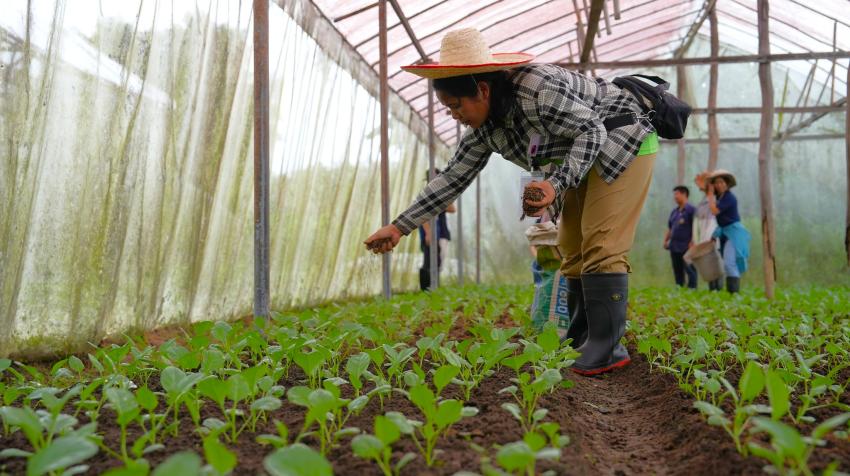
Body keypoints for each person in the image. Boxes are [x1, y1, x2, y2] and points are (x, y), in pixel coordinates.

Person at [363, 28, 658, 375]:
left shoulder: (537, 91)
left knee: (601, 241)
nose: (454, 115)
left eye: (456, 105)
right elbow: (452, 177)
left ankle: (608, 347)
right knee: (571, 245)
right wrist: (400, 226)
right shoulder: (484, 128)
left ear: (483, 90)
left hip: (623, 136)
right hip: (582, 153)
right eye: (447, 108)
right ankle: (583, 335)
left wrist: (556, 183)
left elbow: (592, 130)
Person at [706, 169, 751, 293]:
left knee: (729, 263)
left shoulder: (729, 198)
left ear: (726, 184)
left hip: (734, 233)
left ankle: (734, 294)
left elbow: (714, 211)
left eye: (721, 182)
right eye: (716, 183)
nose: (719, 185)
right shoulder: (720, 198)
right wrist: (715, 235)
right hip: (726, 233)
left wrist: (709, 195)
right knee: (727, 262)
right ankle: (732, 293)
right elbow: (722, 222)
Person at [418, 169, 456, 290]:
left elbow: (452, 209)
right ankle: (426, 290)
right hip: (430, 233)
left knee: (438, 262)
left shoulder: (442, 194)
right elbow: (422, 216)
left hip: (442, 232)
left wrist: (439, 200)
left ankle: (434, 288)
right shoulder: (424, 194)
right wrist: (429, 233)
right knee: (429, 261)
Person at [693, 171, 722, 291]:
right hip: (705, 236)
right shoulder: (703, 201)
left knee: (716, 262)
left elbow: (716, 216)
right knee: (708, 263)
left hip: (714, 234)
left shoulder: (716, 198)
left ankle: (718, 289)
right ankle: (712, 289)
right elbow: (698, 221)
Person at [664, 186, 697, 289]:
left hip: (687, 246)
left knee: (690, 269)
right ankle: (679, 288)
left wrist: (693, 241)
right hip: (674, 245)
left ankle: (692, 289)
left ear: (684, 194)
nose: (675, 197)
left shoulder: (691, 210)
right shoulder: (674, 212)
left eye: (677, 194)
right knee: (677, 269)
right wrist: (665, 240)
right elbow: (670, 228)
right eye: (674, 194)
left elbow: (696, 228)